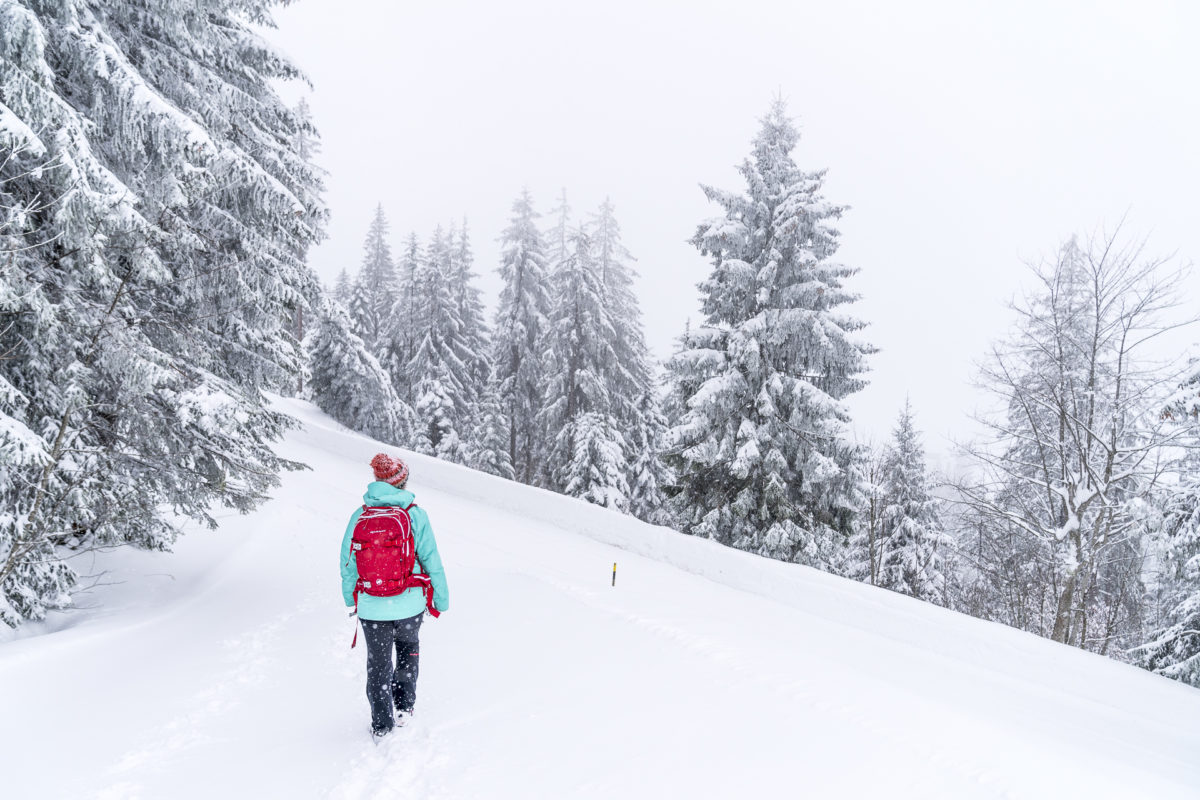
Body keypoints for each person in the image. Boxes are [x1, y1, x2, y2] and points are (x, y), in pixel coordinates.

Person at [341, 453, 449, 741]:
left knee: (377, 663)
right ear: (402, 482)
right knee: (407, 651)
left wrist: (350, 599)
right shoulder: (415, 514)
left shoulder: (360, 515)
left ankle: (381, 722)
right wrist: (441, 598)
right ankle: (403, 706)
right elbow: (431, 559)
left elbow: (348, 561)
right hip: (409, 603)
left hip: (372, 608)